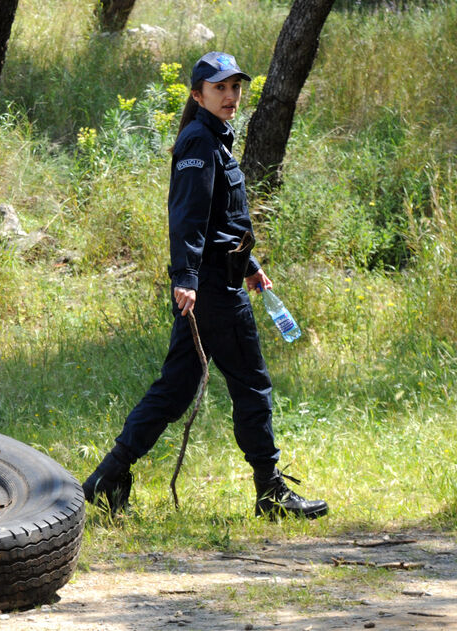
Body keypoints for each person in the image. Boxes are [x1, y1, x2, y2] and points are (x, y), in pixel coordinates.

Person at [83, 52, 328, 520]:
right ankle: (271, 491)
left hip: (221, 280)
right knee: (252, 386)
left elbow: (222, 221)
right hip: (213, 291)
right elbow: (188, 219)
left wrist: (251, 266)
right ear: (198, 95)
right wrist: (187, 280)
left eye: (235, 88)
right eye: (220, 88)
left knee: (174, 391)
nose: (231, 96)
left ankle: (105, 479)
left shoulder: (215, 139)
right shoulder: (199, 141)